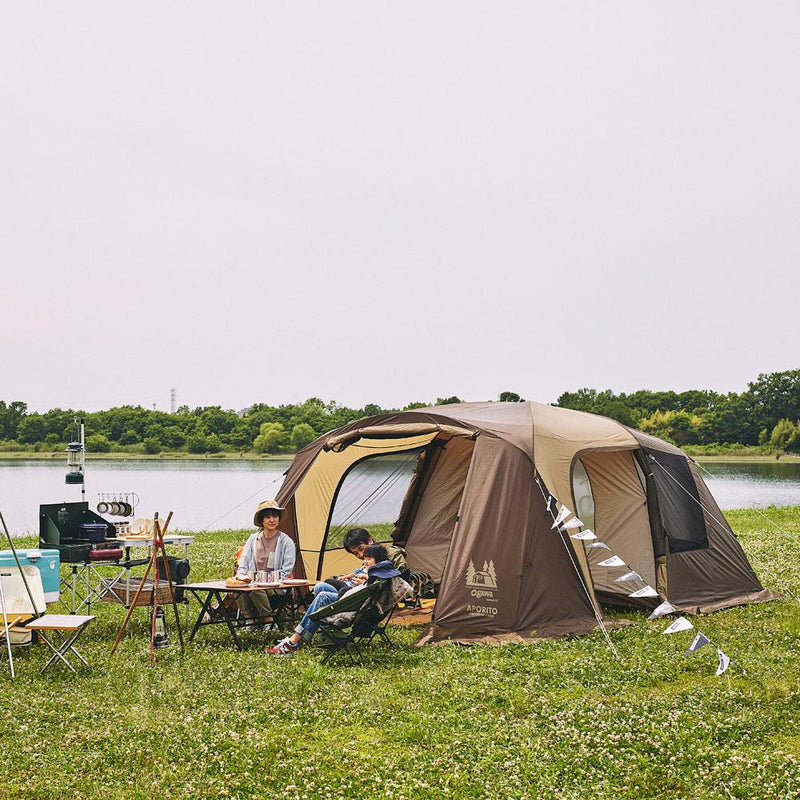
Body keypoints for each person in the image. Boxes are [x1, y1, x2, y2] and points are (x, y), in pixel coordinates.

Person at [266, 544, 410, 656]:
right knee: (322, 588)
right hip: (356, 602)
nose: (364, 561)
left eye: (368, 558)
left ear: (378, 559)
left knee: (323, 596)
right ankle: (319, 633)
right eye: (364, 558)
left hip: (354, 607)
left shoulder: (378, 575)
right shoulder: (383, 573)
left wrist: (360, 584)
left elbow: (362, 596)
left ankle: (294, 641)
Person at [235, 499, 296, 621]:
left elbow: (286, 572)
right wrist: (241, 577)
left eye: (275, 516)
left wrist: (261, 579)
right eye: (268, 517)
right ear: (262, 521)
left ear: (279, 519)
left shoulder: (286, 541)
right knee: (239, 588)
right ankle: (249, 619)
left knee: (255, 590)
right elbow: (243, 564)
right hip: (254, 582)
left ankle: (268, 619)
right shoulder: (252, 540)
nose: (272, 520)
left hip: (277, 586)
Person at [311, 527, 408, 599]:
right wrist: (349, 576)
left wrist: (367, 585)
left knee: (323, 596)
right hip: (353, 588)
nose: (361, 555)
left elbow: (396, 582)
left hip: (361, 594)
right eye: (355, 553)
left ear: (369, 541)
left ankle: (321, 623)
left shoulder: (385, 556)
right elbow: (361, 571)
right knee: (320, 586)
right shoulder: (368, 561)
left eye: (361, 549)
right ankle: (325, 621)